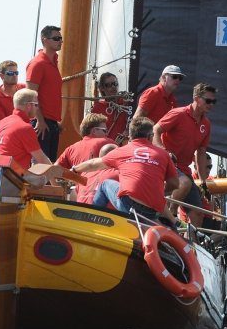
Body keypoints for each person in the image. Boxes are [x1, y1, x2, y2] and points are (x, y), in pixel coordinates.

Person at [72, 117, 179, 224]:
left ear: (130, 137)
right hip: (152, 211)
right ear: (150, 137)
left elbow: (92, 164)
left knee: (105, 184)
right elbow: (174, 184)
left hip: (129, 206)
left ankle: (90, 220)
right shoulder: (163, 154)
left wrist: (74, 170)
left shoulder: (121, 151)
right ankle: (174, 225)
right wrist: (162, 192)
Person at [154, 83, 217, 226]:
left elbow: (201, 152)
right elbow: (156, 129)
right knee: (185, 183)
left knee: (197, 213)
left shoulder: (206, 124)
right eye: (208, 101)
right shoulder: (178, 114)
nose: (211, 104)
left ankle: (191, 245)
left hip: (183, 168)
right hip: (166, 164)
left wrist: (203, 182)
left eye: (214, 101)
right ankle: (170, 215)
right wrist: (164, 152)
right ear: (196, 98)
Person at [0, 89, 51, 190]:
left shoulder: (1, 123)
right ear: (28, 106)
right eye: (36, 105)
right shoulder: (25, 128)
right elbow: (43, 161)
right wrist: (56, 185)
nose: (37, 109)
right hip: (7, 186)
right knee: (42, 177)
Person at [26, 25, 64, 161]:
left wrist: (54, 122)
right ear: (44, 40)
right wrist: (40, 121)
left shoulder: (53, 63)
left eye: (60, 38)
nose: (60, 41)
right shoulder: (38, 64)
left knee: (49, 164)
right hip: (41, 123)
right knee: (40, 167)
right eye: (56, 38)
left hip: (50, 122)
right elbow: (30, 95)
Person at [55, 113, 113, 198]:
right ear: (94, 131)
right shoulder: (106, 142)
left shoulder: (71, 148)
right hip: (98, 195)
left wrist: (59, 192)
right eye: (104, 130)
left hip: (77, 195)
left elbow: (54, 170)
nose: (107, 134)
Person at [90, 72, 130, 143]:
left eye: (115, 84)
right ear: (102, 88)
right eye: (108, 85)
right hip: (104, 146)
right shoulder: (97, 108)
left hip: (122, 145)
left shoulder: (126, 103)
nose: (113, 87)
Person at [0, 60, 25, 131]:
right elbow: (0, 126)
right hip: (9, 134)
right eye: (10, 73)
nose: (14, 75)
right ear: (1, 76)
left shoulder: (24, 89)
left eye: (16, 73)